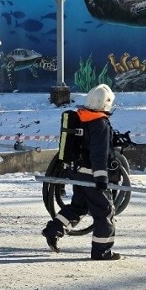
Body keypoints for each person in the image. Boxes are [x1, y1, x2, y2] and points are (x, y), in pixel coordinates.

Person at [41, 83, 121, 260]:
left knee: (80, 207)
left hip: (78, 172)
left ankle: (53, 230)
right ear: (106, 103)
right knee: (105, 211)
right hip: (92, 174)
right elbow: (98, 154)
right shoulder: (100, 123)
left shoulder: (82, 118)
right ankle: (102, 251)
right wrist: (101, 177)